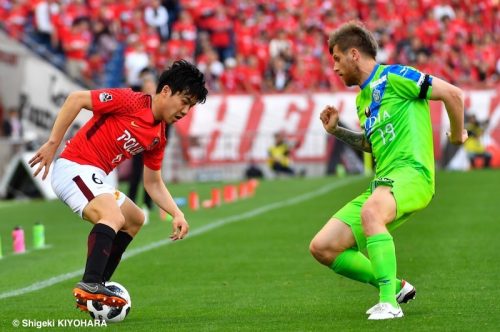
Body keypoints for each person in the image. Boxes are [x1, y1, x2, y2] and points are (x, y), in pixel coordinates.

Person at [309, 21, 467, 320]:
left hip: (413, 174)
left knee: (372, 212)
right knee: (324, 246)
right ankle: (397, 287)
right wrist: (338, 132)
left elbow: (453, 94)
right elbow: (371, 145)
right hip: (383, 181)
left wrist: (458, 136)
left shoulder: (395, 76)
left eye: (337, 58)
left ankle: (389, 304)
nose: (334, 67)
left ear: (354, 54)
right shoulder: (362, 100)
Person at [29, 60, 207, 311]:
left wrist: (177, 213)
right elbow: (76, 99)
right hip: (73, 167)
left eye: (190, 106)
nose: (185, 110)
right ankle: (90, 284)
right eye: (185, 101)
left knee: (135, 218)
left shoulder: (158, 135)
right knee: (112, 215)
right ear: (166, 91)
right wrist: (52, 143)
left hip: (95, 176)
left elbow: (153, 182)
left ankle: (99, 284)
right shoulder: (131, 101)